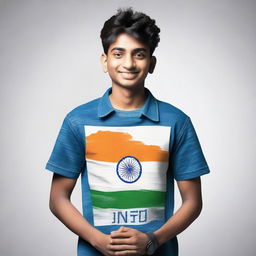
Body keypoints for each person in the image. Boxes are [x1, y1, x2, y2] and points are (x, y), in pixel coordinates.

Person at [45, 7, 210, 256]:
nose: (129, 64)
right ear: (105, 61)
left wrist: (153, 240)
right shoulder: (78, 121)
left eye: (139, 54)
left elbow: (193, 202)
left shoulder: (176, 122)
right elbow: (57, 198)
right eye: (118, 54)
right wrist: (98, 241)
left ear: (151, 63)